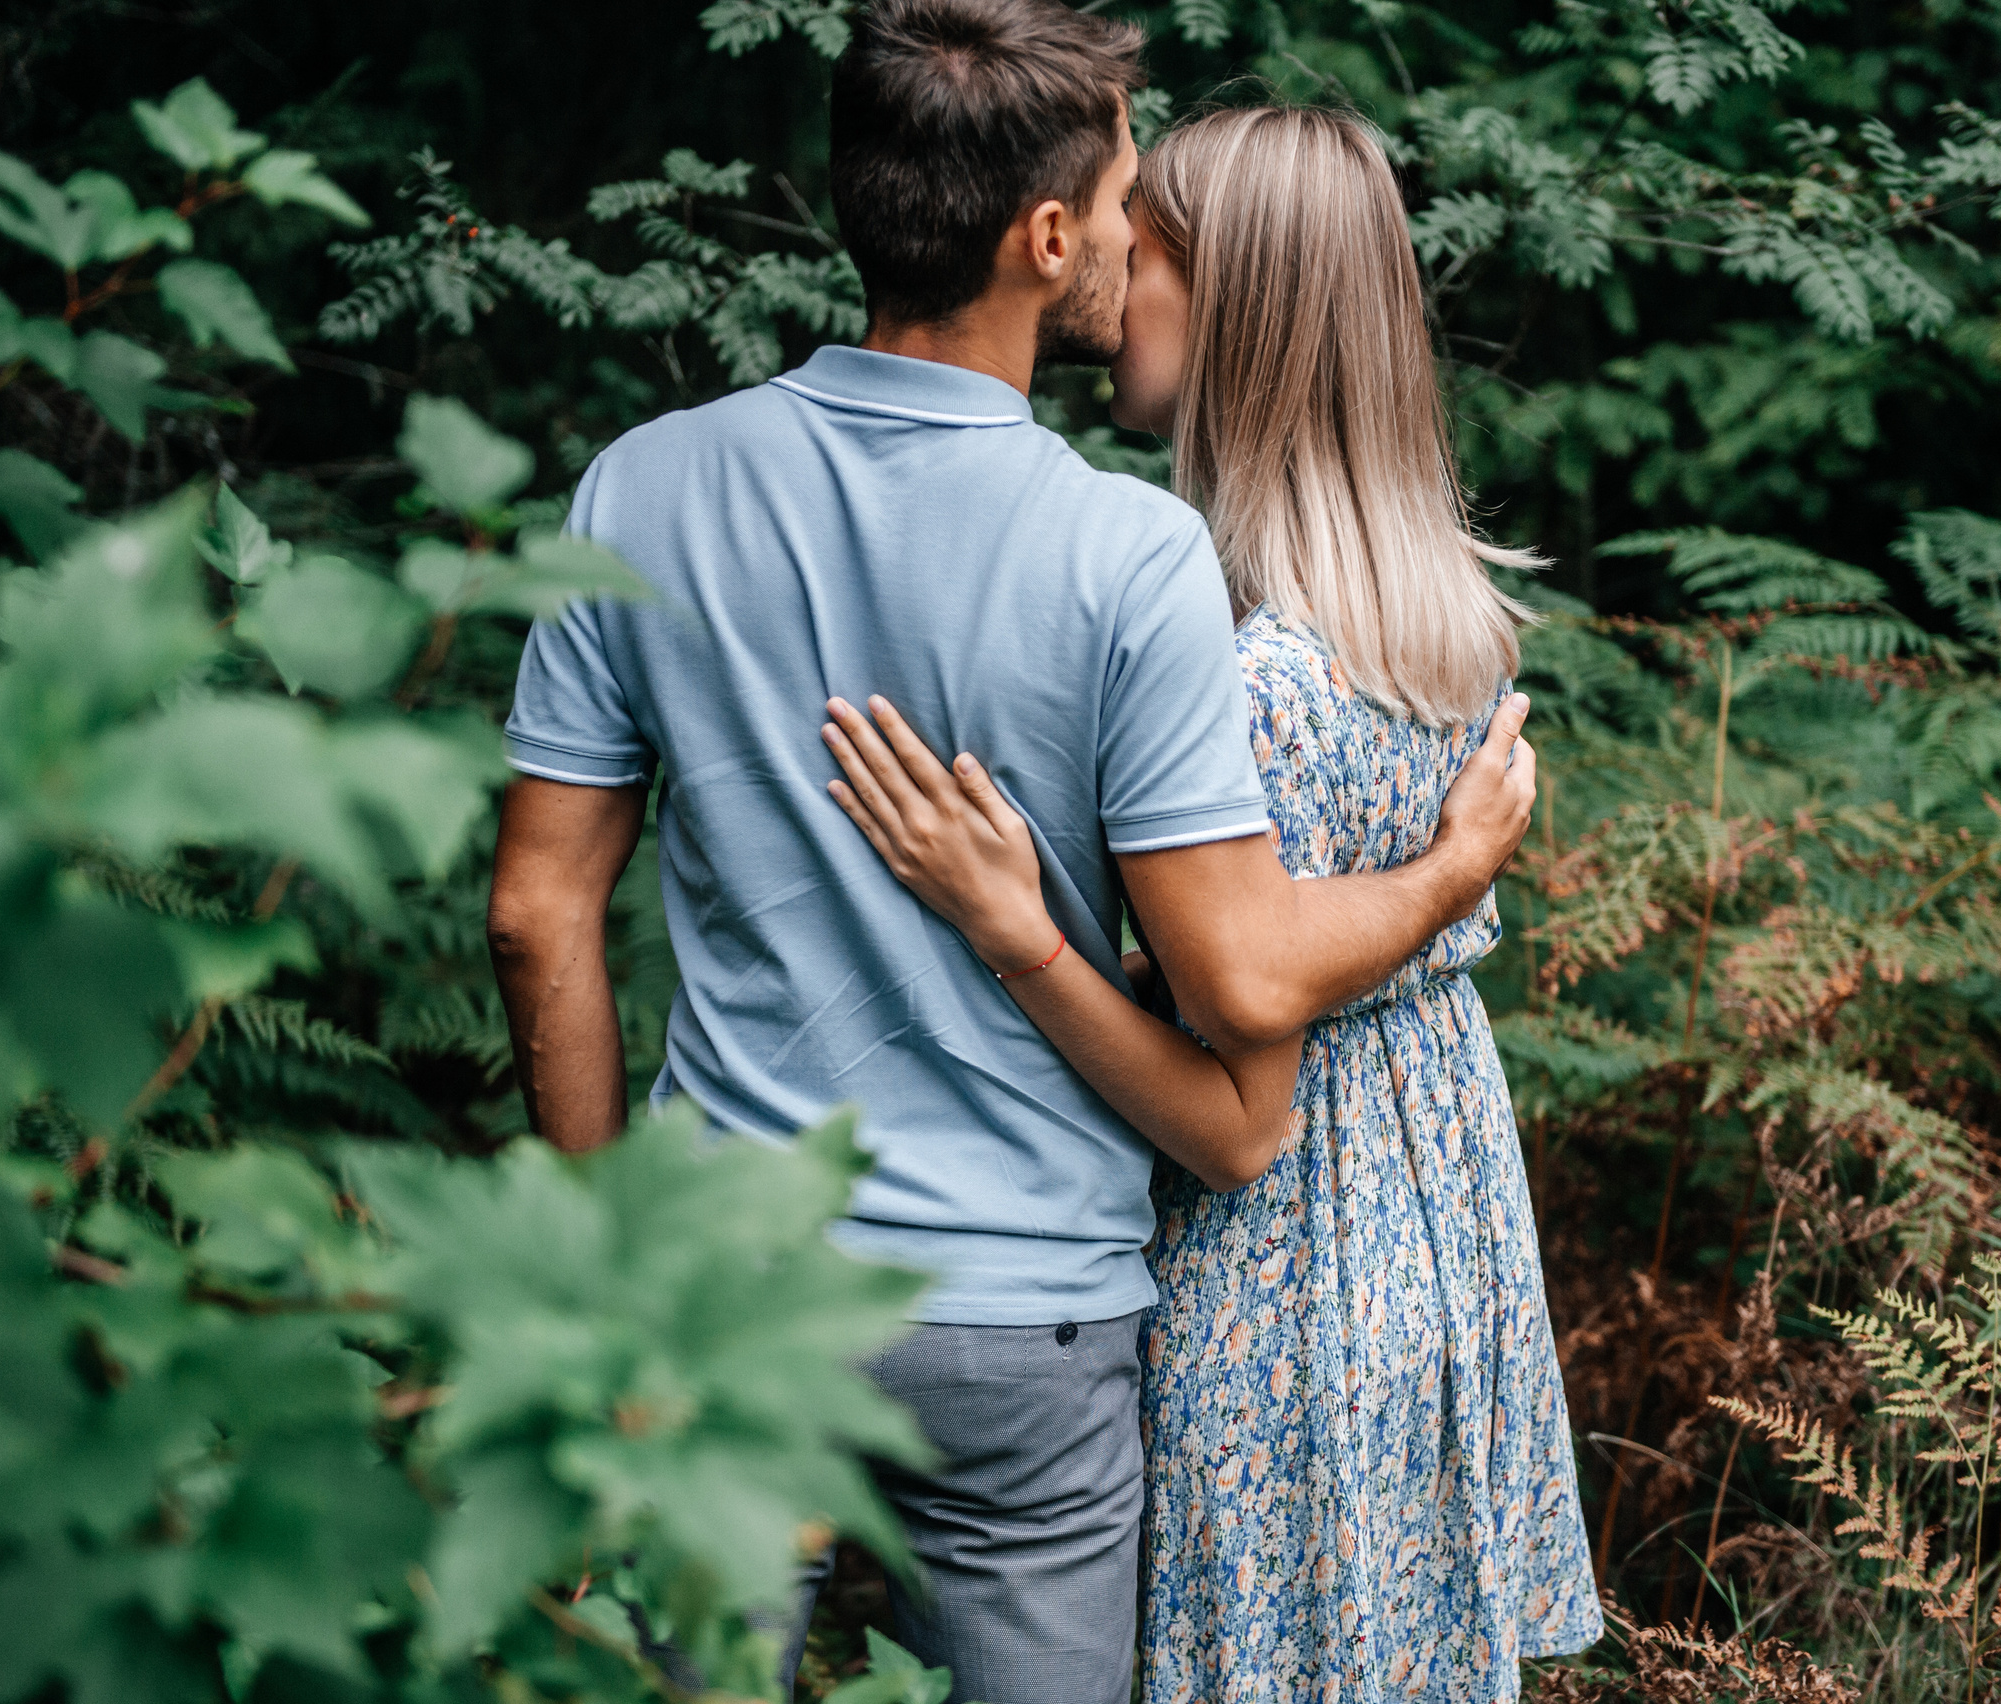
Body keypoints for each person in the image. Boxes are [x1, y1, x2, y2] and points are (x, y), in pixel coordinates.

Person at [481, 1, 1538, 1698]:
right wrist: (1446, 880)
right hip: (1024, 1323)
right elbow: (1241, 991)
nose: (1127, 237)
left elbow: (539, 919)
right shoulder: (1135, 559)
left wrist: (614, 1281)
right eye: (1121, 202)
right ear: (1047, 239)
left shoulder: (641, 490)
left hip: (718, 1289)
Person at [816, 106, 1602, 1702]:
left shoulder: (1258, 683)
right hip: (1436, 1210)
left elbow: (1238, 1068)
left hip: (1288, 1268)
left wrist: (1019, 934)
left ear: (1234, 304)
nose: (1105, 274)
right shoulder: (1440, 623)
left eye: (1147, 250)